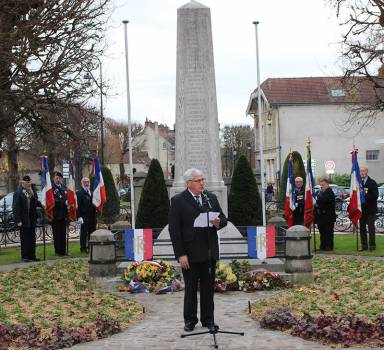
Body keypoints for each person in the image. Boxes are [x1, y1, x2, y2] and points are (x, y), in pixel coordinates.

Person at [169, 168, 227, 332]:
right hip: (190, 253)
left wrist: (218, 222)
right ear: (189, 183)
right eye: (198, 180)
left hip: (209, 251)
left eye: (203, 180)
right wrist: (180, 254)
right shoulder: (178, 201)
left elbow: (223, 219)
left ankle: (208, 320)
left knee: (208, 289)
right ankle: (190, 320)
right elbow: (175, 231)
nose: (202, 183)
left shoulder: (211, 198)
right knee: (191, 288)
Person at [12, 175, 40, 262]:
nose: (28, 184)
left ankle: (32, 255)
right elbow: (15, 208)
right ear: (22, 183)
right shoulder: (19, 192)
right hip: (23, 220)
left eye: (29, 182)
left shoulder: (32, 191)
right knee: (25, 239)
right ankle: (25, 256)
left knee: (32, 238)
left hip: (32, 218)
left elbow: (35, 202)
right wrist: (18, 220)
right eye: (27, 182)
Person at [359, 166, 378, 251]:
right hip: (362, 210)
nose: (362, 173)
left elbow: (375, 196)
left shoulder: (372, 182)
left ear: (367, 172)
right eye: (361, 171)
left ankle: (372, 246)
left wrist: (364, 197)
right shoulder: (358, 183)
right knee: (362, 229)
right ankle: (364, 246)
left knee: (371, 229)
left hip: (370, 210)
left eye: (364, 171)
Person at [315, 177, 336, 250]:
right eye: (320, 185)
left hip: (328, 216)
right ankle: (323, 245)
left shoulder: (330, 192)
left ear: (327, 184)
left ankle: (329, 246)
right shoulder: (320, 192)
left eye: (323, 185)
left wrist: (317, 201)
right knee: (322, 232)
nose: (321, 186)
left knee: (328, 232)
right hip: (321, 216)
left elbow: (325, 201)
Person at [76, 177, 97, 252]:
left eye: (88, 182)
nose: (87, 183)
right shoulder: (79, 193)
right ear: (82, 183)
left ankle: (91, 246)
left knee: (92, 232)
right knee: (84, 233)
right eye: (85, 182)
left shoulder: (91, 192)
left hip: (92, 216)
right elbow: (77, 206)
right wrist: (79, 216)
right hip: (84, 216)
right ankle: (83, 248)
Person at [51, 171, 68, 256]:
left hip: (64, 214)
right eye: (56, 178)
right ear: (53, 178)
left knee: (63, 233)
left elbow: (67, 197)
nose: (58, 179)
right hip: (56, 214)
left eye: (59, 178)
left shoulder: (64, 187)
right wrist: (64, 202)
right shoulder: (51, 188)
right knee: (57, 234)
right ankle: (58, 251)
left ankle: (63, 251)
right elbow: (52, 200)